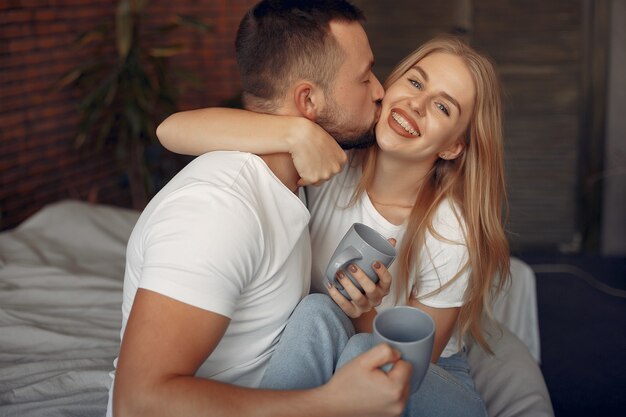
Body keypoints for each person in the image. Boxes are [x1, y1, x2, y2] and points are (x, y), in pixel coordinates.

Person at [157, 35, 511, 416]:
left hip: (429, 384)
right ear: (389, 84)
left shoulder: (449, 232)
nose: (416, 104)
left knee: (363, 349)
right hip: (340, 367)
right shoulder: (329, 160)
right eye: (415, 82)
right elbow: (172, 131)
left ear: (452, 147)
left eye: (442, 107)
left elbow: (411, 369)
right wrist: (296, 133)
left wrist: (362, 309)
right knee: (315, 310)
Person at [106, 1, 413, 416]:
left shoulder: (295, 176)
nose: (380, 90)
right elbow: (138, 403)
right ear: (308, 100)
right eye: (364, 77)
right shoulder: (218, 210)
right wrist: (333, 402)